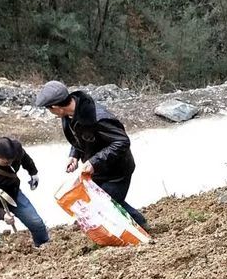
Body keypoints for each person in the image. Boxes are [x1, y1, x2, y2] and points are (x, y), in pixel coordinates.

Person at [35, 80, 148, 229]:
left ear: (56, 107)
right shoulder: (68, 115)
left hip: (117, 171)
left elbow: (122, 141)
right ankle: (130, 227)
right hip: (98, 169)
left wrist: (94, 162)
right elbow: (80, 138)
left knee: (107, 203)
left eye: (49, 109)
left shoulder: (98, 118)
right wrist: (74, 155)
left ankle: (140, 225)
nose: (51, 113)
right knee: (101, 201)